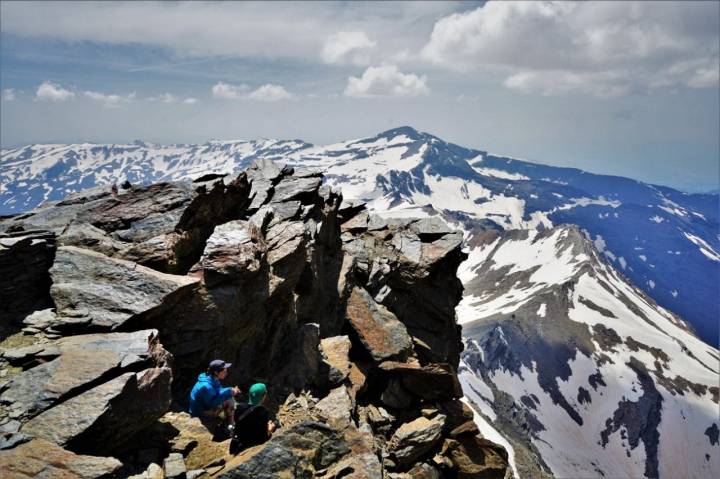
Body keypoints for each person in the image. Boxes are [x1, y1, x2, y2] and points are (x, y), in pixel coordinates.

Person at [188, 359, 241, 433]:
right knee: (230, 402)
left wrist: (230, 390)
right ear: (216, 372)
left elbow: (218, 392)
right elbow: (212, 403)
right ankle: (230, 427)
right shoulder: (205, 386)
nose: (226, 373)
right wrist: (229, 392)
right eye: (224, 371)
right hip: (200, 412)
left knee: (230, 399)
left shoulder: (211, 378)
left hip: (206, 404)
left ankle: (229, 422)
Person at [229, 383, 277, 454]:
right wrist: (269, 429)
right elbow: (263, 437)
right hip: (252, 443)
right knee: (273, 424)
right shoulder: (262, 411)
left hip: (239, 441)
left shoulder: (239, 408)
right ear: (263, 396)